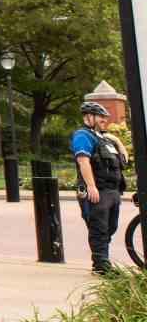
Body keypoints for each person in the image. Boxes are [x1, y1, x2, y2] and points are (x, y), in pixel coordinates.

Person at [71, 101, 127, 275]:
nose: (104, 120)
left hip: (111, 191)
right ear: (89, 117)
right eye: (101, 117)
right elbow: (83, 161)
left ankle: (102, 259)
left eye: (105, 117)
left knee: (110, 227)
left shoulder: (103, 138)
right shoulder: (82, 136)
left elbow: (124, 158)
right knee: (99, 228)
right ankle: (101, 266)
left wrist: (116, 139)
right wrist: (91, 186)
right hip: (97, 190)